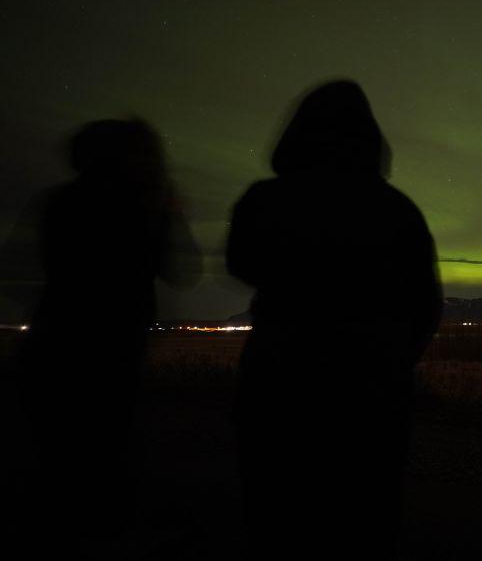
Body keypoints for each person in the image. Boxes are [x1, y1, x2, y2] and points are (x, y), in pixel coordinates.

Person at [227, 80, 441, 557]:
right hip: (372, 400)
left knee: (277, 519)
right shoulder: (398, 210)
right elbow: (426, 305)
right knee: (364, 522)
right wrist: (391, 362)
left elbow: (240, 262)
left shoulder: (267, 199)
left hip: (277, 389)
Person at [6, 118, 201, 553]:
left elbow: (16, 271)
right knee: (104, 462)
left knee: (62, 466)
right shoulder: (140, 210)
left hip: (55, 345)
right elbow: (182, 272)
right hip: (110, 353)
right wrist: (169, 213)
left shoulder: (60, 201)